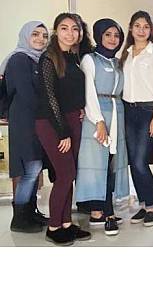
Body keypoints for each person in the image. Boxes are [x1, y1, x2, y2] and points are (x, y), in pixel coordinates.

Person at [34, 13, 90, 245]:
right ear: (56, 31)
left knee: (71, 174)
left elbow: (73, 91)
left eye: (74, 29)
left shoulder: (73, 56)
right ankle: (54, 226)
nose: (70, 33)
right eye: (64, 28)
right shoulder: (49, 58)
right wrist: (63, 131)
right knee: (65, 174)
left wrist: (81, 109)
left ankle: (66, 223)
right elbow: (50, 99)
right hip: (52, 123)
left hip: (72, 120)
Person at [75, 18, 129, 236]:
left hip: (117, 112)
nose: (112, 39)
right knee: (97, 164)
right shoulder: (90, 60)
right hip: (98, 117)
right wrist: (98, 121)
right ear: (99, 36)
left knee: (110, 162)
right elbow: (88, 92)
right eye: (108, 34)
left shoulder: (117, 62)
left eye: (116, 35)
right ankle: (102, 212)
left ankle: (104, 209)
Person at [120, 10, 153, 226]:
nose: (141, 30)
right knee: (132, 162)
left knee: (140, 161)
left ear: (151, 30)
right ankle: (142, 204)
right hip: (128, 110)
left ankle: (151, 207)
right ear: (131, 28)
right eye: (137, 25)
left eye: (145, 26)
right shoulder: (126, 54)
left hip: (148, 111)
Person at [4, 21, 49, 233]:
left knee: (35, 167)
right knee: (29, 170)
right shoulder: (19, 59)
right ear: (25, 36)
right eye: (35, 34)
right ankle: (20, 218)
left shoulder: (38, 60)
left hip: (35, 121)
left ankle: (31, 212)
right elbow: (26, 94)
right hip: (24, 121)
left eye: (44, 35)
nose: (40, 39)